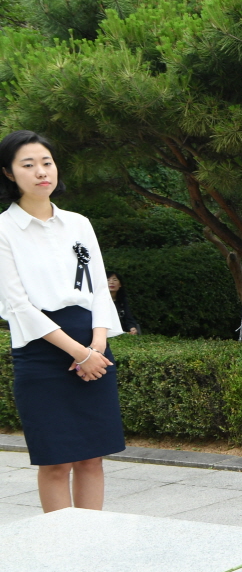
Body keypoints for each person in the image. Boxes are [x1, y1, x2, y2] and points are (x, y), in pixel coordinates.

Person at [0, 130, 126, 512]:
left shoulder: (79, 223)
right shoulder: (4, 229)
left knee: (92, 457)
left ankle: (92, 546)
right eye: (28, 165)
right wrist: (78, 352)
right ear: (8, 173)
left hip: (93, 344)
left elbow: (100, 290)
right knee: (56, 462)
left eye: (47, 162)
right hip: (41, 352)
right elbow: (17, 304)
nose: (41, 172)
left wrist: (97, 346)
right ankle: (62, 552)